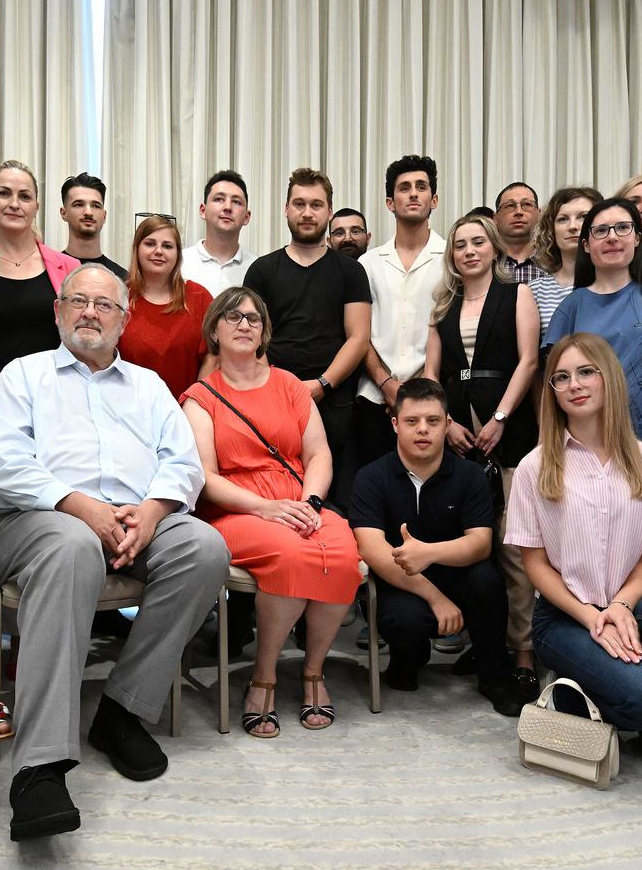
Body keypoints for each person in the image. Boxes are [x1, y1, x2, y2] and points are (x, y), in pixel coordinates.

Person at [0, 263, 229, 839]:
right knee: (73, 547)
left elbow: (183, 463)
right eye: (78, 301)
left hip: (136, 519)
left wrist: (152, 512)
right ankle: (39, 767)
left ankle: (122, 710)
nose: (90, 312)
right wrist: (82, 508)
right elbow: (5, 466)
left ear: (124, 319)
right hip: (39, 521)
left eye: (104, 305)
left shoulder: (148, 386)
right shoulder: (22, 376)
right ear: (58, 310)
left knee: (204, 548)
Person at [506, 334, 642, 777]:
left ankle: (612, 695)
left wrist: (619, 607)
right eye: (562, 377)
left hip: (630, 605)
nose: (574, 385)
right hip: (563, 617)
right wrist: (591, 618)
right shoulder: (534, 467)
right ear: (553, 392)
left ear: (609, 379)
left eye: (586, 372)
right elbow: (534, 565)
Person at [180, 287, 362, 736]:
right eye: (232, 317)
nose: (244, 324)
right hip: (238, 511)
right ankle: (263, 677)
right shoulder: (200, 397)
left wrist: (311, 503)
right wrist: (266, 508)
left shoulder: (290, 385)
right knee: (292, 555)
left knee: (343, 554)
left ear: (264, 333)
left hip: (300, 502)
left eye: (253, 318)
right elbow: (206, 477)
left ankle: (313, 671)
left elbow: (318, 454)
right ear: (214, 330)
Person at [349, 376, 525, 714]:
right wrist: (435, 598)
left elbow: (480, 544)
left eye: (432, 421)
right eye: (412, 421)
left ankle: (494, 674)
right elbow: (372, 550)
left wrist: (427, 553)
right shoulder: (370, 477)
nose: (422, 430)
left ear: (447, 424)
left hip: (459, 575)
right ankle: (408, 658)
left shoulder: (470, 475)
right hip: (403, 583)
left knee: (487, 581)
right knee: (402, 620)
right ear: (395, 424)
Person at [423, 213, 541, 696]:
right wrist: (445, 422)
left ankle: (523, 652)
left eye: (477, 242)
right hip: (459, 437)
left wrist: (501, 418)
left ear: (494, 248)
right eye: (460, 245)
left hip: (508, 434)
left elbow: (529, 360)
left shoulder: (518, 295)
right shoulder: (443, 305)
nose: (469, 251)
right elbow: (431, 373)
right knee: (472, 545)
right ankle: (483, 642)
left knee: (513, 547)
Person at [547, 198, 642, 482]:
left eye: (622, 228)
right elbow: (556, 386)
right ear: (586, 245)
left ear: (637, 238)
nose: (612, 238)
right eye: (601, 230)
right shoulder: (571, 307)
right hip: (590, 448)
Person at [243, 167, 372, 505]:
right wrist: (279, 388)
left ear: (329, 211)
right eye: (299, 204)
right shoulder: (262, 270)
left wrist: (322, 384)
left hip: (336, 402)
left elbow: (358, 338)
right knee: (278, 494)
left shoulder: (351, 271)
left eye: (316, 205)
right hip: (273, 401)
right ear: (286, 209)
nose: (307, 212)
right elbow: (251, 338)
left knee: (337, 504)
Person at [0, 160, 80, 389]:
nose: (14, 204)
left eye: (24, 196)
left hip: (58, 399)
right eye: (4, 193)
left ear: (36, 206)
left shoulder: (69, 267)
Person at [355, 154, 446, 468]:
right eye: (404, 188)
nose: (413, 193)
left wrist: (421, 388)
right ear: (390, 203)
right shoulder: (368, 263)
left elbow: (450, 327)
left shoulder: (451, 257)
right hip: (374, 397)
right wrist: (386, 384)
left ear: (434, 199)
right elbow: (358, 334)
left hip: (432, 397)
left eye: (421, 186)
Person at [119, 214, 211, 398]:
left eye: (167, 246)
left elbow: (214, 357)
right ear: (136, 249)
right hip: (127, 408)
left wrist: (195, 403)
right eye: (150, 243)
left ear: (178, 254)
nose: (159, 251)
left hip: (186, 409)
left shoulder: (199, 297)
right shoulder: (118, 296)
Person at [528, 186, 601, 336]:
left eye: (583, 217)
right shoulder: (535, 290)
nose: (572, 226)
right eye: (563, 219)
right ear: (551, 229)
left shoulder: (613, 283)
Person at [182, 169, 255, 297]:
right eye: (219, 199)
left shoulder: (257, 268)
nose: (227, 207)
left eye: (236, 202)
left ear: (247, 217)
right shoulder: (179, 262)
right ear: (203, 210)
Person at [60, 171, 126, 278]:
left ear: (104, 216)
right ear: (63, 213)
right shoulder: (47, 273)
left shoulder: (122, 279)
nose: (88, 212)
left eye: (95, 206)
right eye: (78, 205)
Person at [492, 181, 545, 285]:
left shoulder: (555, 261)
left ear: (539, 214)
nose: (518, 212)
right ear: (495, 218)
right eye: (510, 206)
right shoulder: (485, 262)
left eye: (527, 204)